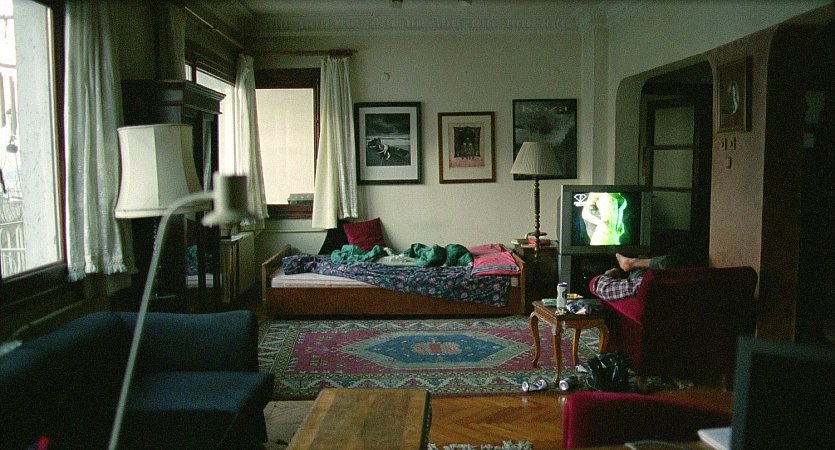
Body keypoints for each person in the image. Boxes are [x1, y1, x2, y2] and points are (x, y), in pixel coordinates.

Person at [589, 253, 677, 301]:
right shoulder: (683, 277)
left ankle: (634, 263)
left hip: (647, 289)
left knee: (637, 271)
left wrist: (608, 274)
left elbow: (602, 288)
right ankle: (634, 263)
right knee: (637, 271)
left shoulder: (649, 283)